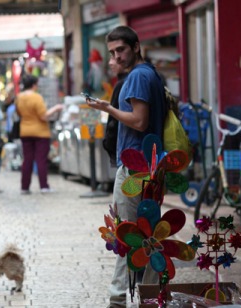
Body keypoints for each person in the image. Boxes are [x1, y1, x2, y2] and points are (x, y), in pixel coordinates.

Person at [85, 26, 167, 308]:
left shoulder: (138, 77)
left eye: (120, 49)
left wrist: (108, 109)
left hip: (135, 166)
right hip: (150, 165)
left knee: (126, 232)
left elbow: (139, 121)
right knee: (148, 233)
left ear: (135, 46)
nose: (116, 56)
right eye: (111, 52)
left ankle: (118, 297)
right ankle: (149, 295)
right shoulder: (151, 74)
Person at [16, 75, 63, 194]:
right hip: (40, 132)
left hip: (25, 131)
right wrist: (56, 108)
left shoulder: (19, 97)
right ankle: (44, 186)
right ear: (33, 85)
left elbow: (19, 113)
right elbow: (44, 116)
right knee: (41, 159)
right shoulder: (37, 97)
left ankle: (24, 187)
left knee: (27, 159)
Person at [102, 57, 128, 167]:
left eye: (114, 58)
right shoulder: (123, 82)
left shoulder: (123, 84)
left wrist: (108, 143)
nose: (110, 63)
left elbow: (114, 121)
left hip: (126, 148)